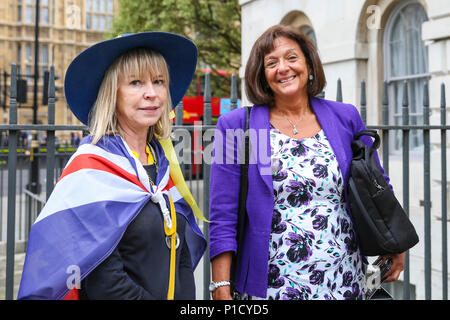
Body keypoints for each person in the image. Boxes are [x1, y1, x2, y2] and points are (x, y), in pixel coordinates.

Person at [208, 25, 405, 300]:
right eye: (271, 63)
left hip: (345, 279)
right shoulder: (237, 127)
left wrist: (396, 242)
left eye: (291, 58)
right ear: (262, 75)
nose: (283, 68)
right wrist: (220, 287)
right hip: (271, 287)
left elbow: (377, 185)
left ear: (308, 64)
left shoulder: (345, 117)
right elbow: (223, 213)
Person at [18, 32, 207, 300]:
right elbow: (104, 281)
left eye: (159, 82)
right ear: (112, 94)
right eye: (135, 82)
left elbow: (181, 257)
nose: (151, 93)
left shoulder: (162, 166)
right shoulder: (92, 168)